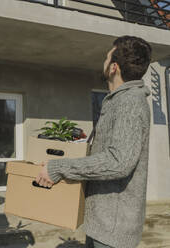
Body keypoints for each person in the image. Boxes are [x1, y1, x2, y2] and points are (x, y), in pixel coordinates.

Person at [36, 36, 152, 248]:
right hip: (103, 224)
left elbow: (118, 162)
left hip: (112, 230)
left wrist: (58, 167)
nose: (104, 62)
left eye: (107, 58)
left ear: (114, 68)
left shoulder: (129, 103)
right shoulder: (119, 100)